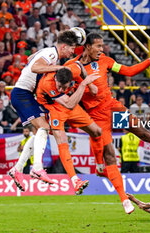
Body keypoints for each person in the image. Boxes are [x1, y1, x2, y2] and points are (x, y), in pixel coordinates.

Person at [65, 32, 150, 214]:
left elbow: (128, 71)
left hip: (114, 108)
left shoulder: (106, 61)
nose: (102, 50)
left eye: (103, 46)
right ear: (87, 46)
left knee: (144, 133)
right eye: (98, 46)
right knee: (110, 155)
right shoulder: (72, 66)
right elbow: (59, 79)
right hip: (97, 117)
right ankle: (124, 199)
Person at [8, 30, 79, 189]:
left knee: (39, 132)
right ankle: (37, 168)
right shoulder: (52, 54)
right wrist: (58, 68)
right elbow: (35, 67)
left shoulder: (48, 52)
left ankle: (18, 169)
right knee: (44, 128)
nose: (72, 52)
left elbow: (30, 60)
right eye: (72, 48)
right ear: (64, 47)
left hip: (25, 94)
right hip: (22, 93)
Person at [34, 66, 101, 194]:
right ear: (56, 79)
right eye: (58, 86)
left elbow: (79, 65)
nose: (60, 89)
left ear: (70, 81)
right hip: (53, 108)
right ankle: (75, 180)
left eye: (63, 87)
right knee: (62, 140)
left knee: (97, 131)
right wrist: (84, 84)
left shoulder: (73, 70)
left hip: (69, 104)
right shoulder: (47, 83)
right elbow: (69, 104)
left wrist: (89, 82)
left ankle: (99, 166)